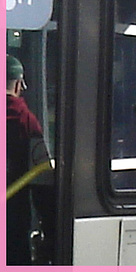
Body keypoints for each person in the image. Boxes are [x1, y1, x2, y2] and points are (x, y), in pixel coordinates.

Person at [6, 54, 55, 265]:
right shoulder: (25, 120)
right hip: (12, 219)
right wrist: (50, 225)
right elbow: (41, 177)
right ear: (18, 84)